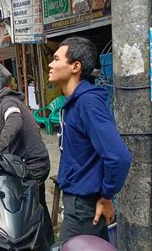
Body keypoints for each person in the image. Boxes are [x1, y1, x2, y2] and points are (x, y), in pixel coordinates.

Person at [47, 37, 132, 244]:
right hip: (79, 203)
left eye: (57, 59)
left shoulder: (88, 102)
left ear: (75, 67)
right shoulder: (75, 102)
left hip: (84, 208)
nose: (50, 64)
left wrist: (106, 195)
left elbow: (119, 157)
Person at [0, 84, 54, 249]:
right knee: (39, 207)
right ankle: (49, 244)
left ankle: (41, 245)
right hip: (34, 162)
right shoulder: (8, 101)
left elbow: (14, 121)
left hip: (33, 164)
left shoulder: (7, 102)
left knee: (31, 213)